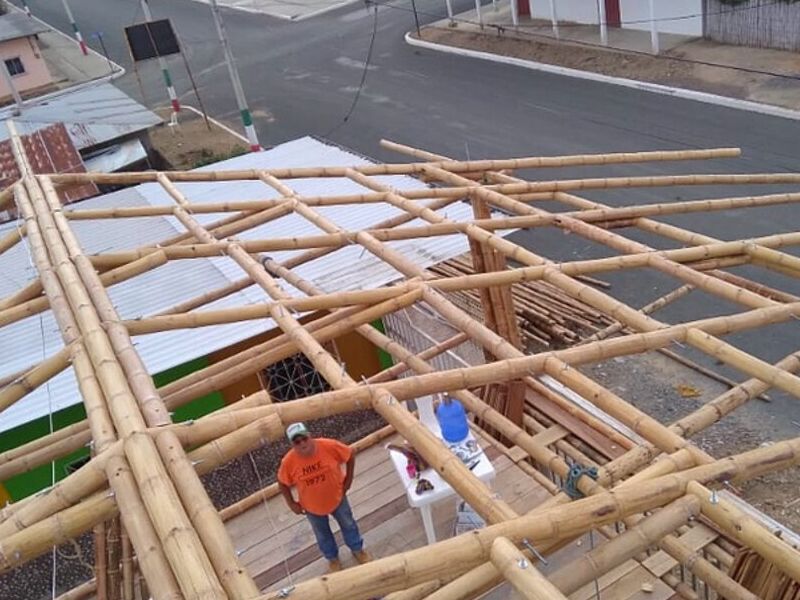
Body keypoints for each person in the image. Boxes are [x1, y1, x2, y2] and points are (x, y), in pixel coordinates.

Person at [277, 422, 372, 572]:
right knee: (322, 534)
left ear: (310, 436)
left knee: (348, 524)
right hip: (311, 507)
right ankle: (332, 559)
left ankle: (357, 549)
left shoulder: (329, 445)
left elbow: (349, 454)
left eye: (304, 438)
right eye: (297, 441)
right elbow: (282, 482)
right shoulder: (288, 462)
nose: (302, 443)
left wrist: (348, 480)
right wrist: (291, 504)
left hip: (337, 498)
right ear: (292, 445)